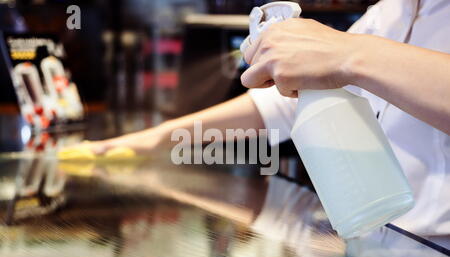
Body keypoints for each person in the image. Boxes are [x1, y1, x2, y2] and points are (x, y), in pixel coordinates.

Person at [84, 0, 450, 235]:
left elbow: (345, 61)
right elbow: (285, 104)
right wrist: (162, 136)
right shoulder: (391, 11)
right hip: (389, 241)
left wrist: (350, 55)